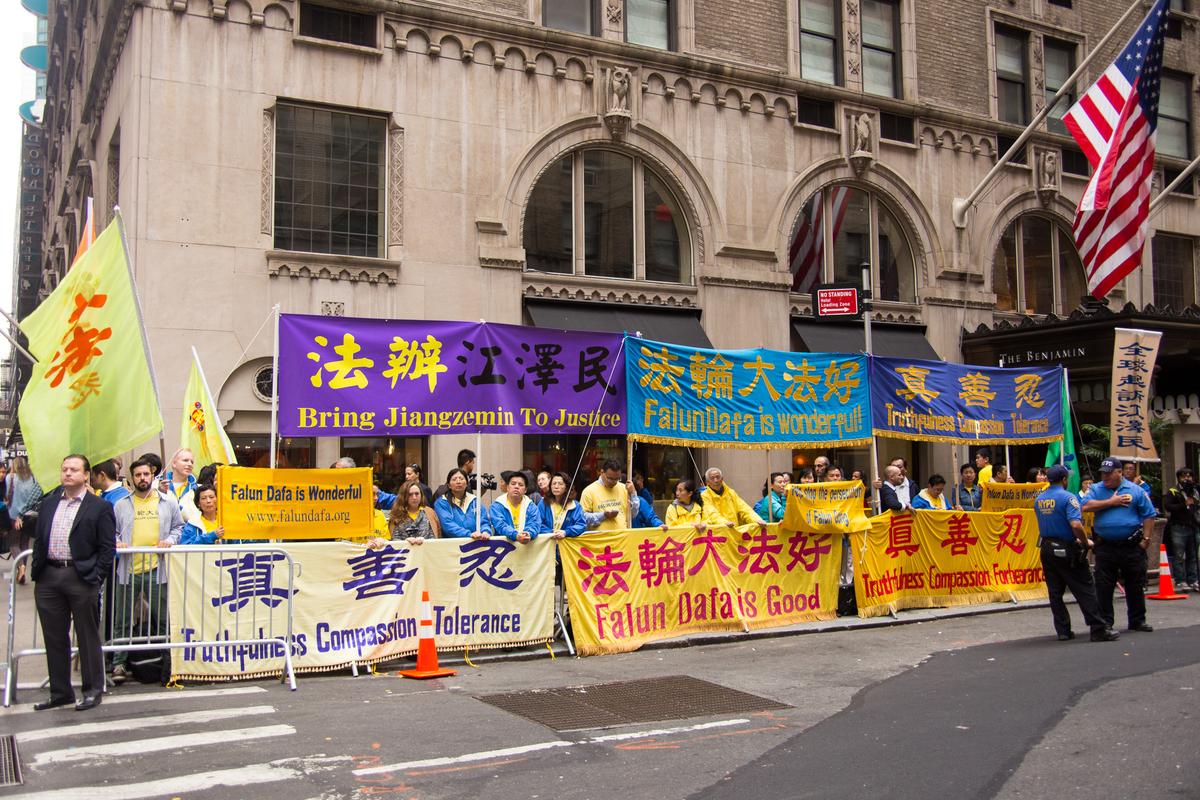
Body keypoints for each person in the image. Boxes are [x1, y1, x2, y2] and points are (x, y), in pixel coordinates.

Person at [29, 454, 116, 711]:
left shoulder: (98, 507)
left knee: (87, 636)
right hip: (49, 577)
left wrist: (96, 575)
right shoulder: (49, 503)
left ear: (86, 475)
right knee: (54, 637)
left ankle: (92, 690)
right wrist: (38, 569)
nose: (68, 473)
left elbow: (107, 547)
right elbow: (40, 539)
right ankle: (60, 692)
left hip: (81, 577)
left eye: (74, 469)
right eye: (65, 469)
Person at [110, 457, 185, 685]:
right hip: (128, 570)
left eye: (146, 474)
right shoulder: (121, 504)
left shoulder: (167, 502)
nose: (142, 478)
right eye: (138, 475)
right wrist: (117, 542)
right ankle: (119, 663)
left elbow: (178, 527)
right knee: (122, 620)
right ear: (131, 479)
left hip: (157, 570)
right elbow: (110, 532)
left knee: (163, 619)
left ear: (152, 476)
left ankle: (168, 661)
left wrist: (169, 541)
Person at [1034, 464, 1119, 642]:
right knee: (1085, 588)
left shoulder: (1039, 499)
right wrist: (1084, 540)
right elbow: (1075, 524)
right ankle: (1098, 628)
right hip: (1067, 548)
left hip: (1047, 548)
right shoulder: (1068, 498)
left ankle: (1063, 630)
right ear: (1064, 479)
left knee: (1055, 592)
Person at [1082, 457, 1157, 634]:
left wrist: (1146, 539)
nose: (1105, 477)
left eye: (1109, 473)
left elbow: (1149, 514)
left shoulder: (1135, 490)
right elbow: (1084, 506)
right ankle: (1105, 623)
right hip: (1106, 546)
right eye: (1103, 473)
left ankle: (1137, 620)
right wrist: (1111, 502)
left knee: (1135, 583)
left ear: (1119, 472)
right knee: (1104, 586)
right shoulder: (1096, 488)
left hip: (1131, 545)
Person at [7, 456, 43, 584]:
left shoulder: (10, 478)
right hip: (29, 515)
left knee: (13, 543)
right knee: (24, 543)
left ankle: (20, 566)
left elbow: (8, 497)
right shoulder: (32, 478)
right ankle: (22, 570)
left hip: (14, 515)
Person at [1164, 467, 1200, 592]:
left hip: (1193, 526)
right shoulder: (1173, 491)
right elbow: (1168, 507)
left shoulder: (1195, 491)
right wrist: (1184, 504)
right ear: (1179, 478)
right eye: (1184, 476)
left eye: (1189, 476)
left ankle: (1193, 580)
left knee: (1193, 555)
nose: (1187, 478)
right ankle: (1180, 580)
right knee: (1179, 555)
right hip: (1178, 527)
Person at [580, 459, 641, 531]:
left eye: (617, 479)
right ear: (602, 472)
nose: (614, 482)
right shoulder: (589, 491)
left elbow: (633, 514)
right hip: (600, 539)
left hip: (622, 537)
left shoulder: (624, 488)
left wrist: (633, 493)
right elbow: (582, 517)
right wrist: (603, 515)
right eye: (610, 479)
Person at [434, 467, 491, 539]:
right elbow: (447, 525)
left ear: (467, 483)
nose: (458, 482)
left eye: (461, 479)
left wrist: (485, 531)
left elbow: (484, 521)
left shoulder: (475, 501)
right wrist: (469, 534)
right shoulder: (442, 503)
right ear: (449, 485)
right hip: (452, 545)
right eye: (454, 479)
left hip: (476, 543)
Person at [381, 479, 441, 546]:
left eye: (417, 494)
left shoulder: (430, 513)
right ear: (404, 496)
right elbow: (394, 540)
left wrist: (424, 541)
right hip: (405, 554)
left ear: (421, 495)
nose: (414, 497)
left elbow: (435, 537)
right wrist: (406, 542)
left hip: (426, 553)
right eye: (410, 494)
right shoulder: (396, 514)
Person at [490, 471, 541, 543]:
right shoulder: (497, 505)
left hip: (526, 548)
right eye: (513, 484)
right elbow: (500, 525)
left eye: (520, 485)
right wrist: (515, 535)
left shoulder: (531, 506)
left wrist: (528, 533)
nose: (516, 487)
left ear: (525, 490)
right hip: (504, 549)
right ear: (507, 487)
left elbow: (535, 524)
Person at [540, 472, 586, 539]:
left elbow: (581, 525)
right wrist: (550, 532)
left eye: (560, 484)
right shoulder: (543, 503)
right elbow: (537, 523)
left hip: (566, 546)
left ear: (566, 487)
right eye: (554, 484)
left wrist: (566, 532)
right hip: (548, 544)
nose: (556, 486)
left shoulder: (575, 506)